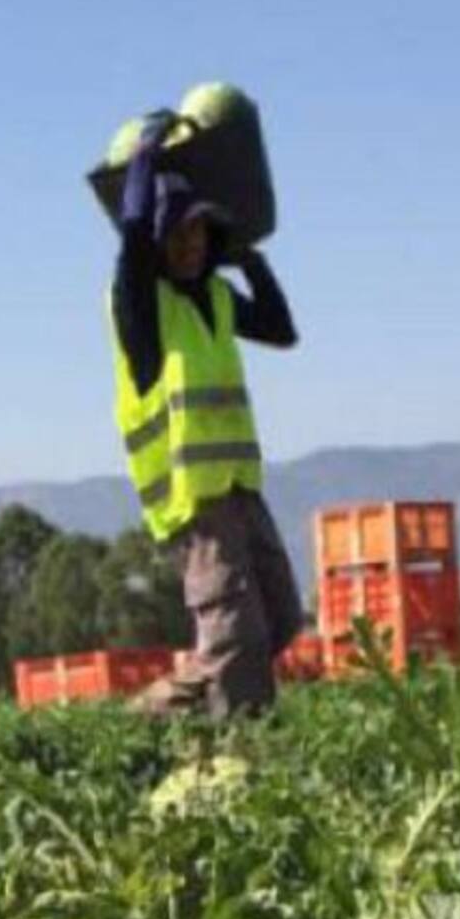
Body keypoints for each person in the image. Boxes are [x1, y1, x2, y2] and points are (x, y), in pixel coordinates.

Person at [108, 114, 304, 718]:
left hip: (241, 491)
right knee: (237, 633)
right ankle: (246, 752)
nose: (190, 247)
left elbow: (281, 330)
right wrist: (145, 157)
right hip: (193, 503)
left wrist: (249, 259)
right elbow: (135, 240)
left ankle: (161, 707)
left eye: (200, 234)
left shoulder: (216, 298)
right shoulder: (141, 307)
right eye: (178, 236)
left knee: (281, 616)